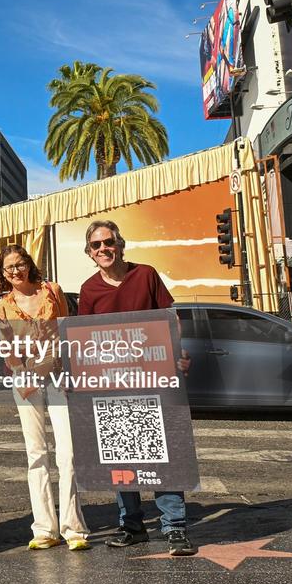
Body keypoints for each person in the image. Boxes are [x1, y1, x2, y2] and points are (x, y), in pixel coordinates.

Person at [77, 220, 196, 557]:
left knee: (162, 455)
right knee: (122, 456)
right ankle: (132, 527)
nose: (103, 249)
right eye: (96, 245)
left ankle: (174, 528)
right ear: (90, 252)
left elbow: (170, 320)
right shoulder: (88, 290)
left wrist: (176, 356)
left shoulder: (145, 274)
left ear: (120, 244)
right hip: (112, 384)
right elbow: (84, 339)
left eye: (108, 242)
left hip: (153, 378)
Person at [0, 244, 90, 551]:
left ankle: (73, 528)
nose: (16, 271)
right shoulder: (3, 304)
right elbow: (7, 346)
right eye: (9, 268)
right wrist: (23, 372)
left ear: (28, 264)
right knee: (36, 453)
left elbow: (66, 332)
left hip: (58, 376)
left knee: (68, 453)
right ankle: (45, 528)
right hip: (25, 379)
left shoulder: (52, 291)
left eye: (20, 264)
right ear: (3, 273)